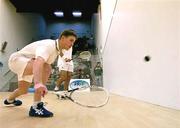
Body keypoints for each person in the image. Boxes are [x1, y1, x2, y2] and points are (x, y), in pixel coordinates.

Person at [3, 29, 77, 117]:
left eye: (74, 42)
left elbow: (58, 55)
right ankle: (36, 106)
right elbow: (39, 62)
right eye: (71, 40)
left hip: (27, 63)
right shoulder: (48, 46)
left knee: (23, 90)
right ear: (63, 38)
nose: (72, 44)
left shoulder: (57, 50)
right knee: (46, 67)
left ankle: (9, 100)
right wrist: (38, 84)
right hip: (17, 60)